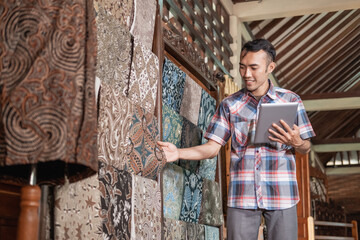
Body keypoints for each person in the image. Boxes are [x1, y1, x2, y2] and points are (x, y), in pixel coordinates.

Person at [158, 39, 315, 240]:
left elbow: (306, 148)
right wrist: (178, 153)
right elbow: (212, 148)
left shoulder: (291, 100)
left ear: (270, 67)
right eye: (242, 67)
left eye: (253, 68)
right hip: (242, 195)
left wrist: (297, 142)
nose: (246, 74)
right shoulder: (229, 105)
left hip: (282, 193)